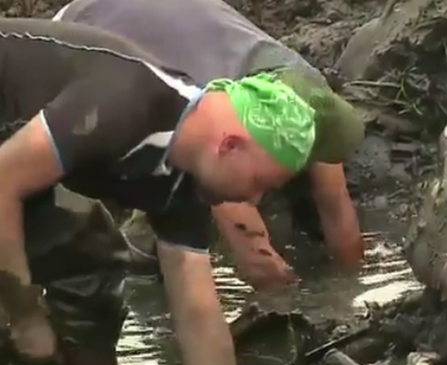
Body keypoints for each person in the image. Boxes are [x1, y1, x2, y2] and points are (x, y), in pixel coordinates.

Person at [0, 18, 318, 365]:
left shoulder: (186, 183)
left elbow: (198, 314)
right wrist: (26, 317)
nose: (253, 201)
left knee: (94, 252)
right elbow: (3, 184)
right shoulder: (124, 100)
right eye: (258, 183)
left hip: (13, 161)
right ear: (229, 144)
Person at [55, 0, 368, 290]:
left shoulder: (306, 91)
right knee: (163, 208)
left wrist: (351, 286)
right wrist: (286, 298)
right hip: (81, 34)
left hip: (176, 23)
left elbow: (335, 202)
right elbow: (252, 252)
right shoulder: (219, 115)